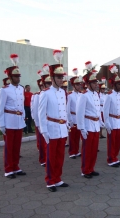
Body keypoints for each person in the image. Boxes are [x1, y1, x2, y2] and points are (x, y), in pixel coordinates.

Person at [38, 50, 69, 192]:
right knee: (51, 157)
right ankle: (50, 180)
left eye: (62, 77)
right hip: (51, 128)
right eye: (58, 77)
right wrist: (43, 130)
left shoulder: (63, 92)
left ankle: (58, 178)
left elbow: (64, 110)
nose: (61, 79)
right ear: (52, 77)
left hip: (62, 128)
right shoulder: (45, 93)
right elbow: (41, 113)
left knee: (60, 156)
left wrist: (67, 124)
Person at [0, 54, 26, 178]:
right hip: (9, 120)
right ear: (10, 77)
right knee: (9, 147)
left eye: (19, 76)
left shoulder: (21, 89)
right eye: (15, 76)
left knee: (17, 146)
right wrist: (1, 124)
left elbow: (22, 105)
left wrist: (24, 117)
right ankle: (8, 169)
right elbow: (0, 108)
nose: (18, 78)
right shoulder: (4, 90)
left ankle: (16, 166)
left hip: (19, 120)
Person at [76, 61, 105, 178]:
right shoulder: (84, 95)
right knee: (87, 150)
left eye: (96, 82)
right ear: (88, 84)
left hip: (95, 125)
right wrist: (81, 128)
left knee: (94, 150)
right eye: (93, 83)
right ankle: (85, 170)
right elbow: (79, 113)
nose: (96, 84)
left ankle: (91, 168)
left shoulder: (96, 95)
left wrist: (100, 121)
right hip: (87, 125)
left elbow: (97, 111)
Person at [104, 64, 120, 167]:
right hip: (112, 121)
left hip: (118, 121)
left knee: (117, 142)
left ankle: (115, 157)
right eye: (118, 84)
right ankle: (111, 159)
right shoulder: (109, 96)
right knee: (111, 142)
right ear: (113, 85)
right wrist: (107, 123)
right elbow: (105, 111)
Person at [67, 68, 83, 159]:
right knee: (72, 136)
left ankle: (76, 151)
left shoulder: (81, 95)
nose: (79, 86)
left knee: (77, 136)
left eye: (79, 84)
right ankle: (72, 152)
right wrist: (69, 120)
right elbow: (68, 109)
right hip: (73, 117)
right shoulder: (70, 95)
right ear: (73, 86)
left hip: (79, 118)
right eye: (77, 84)